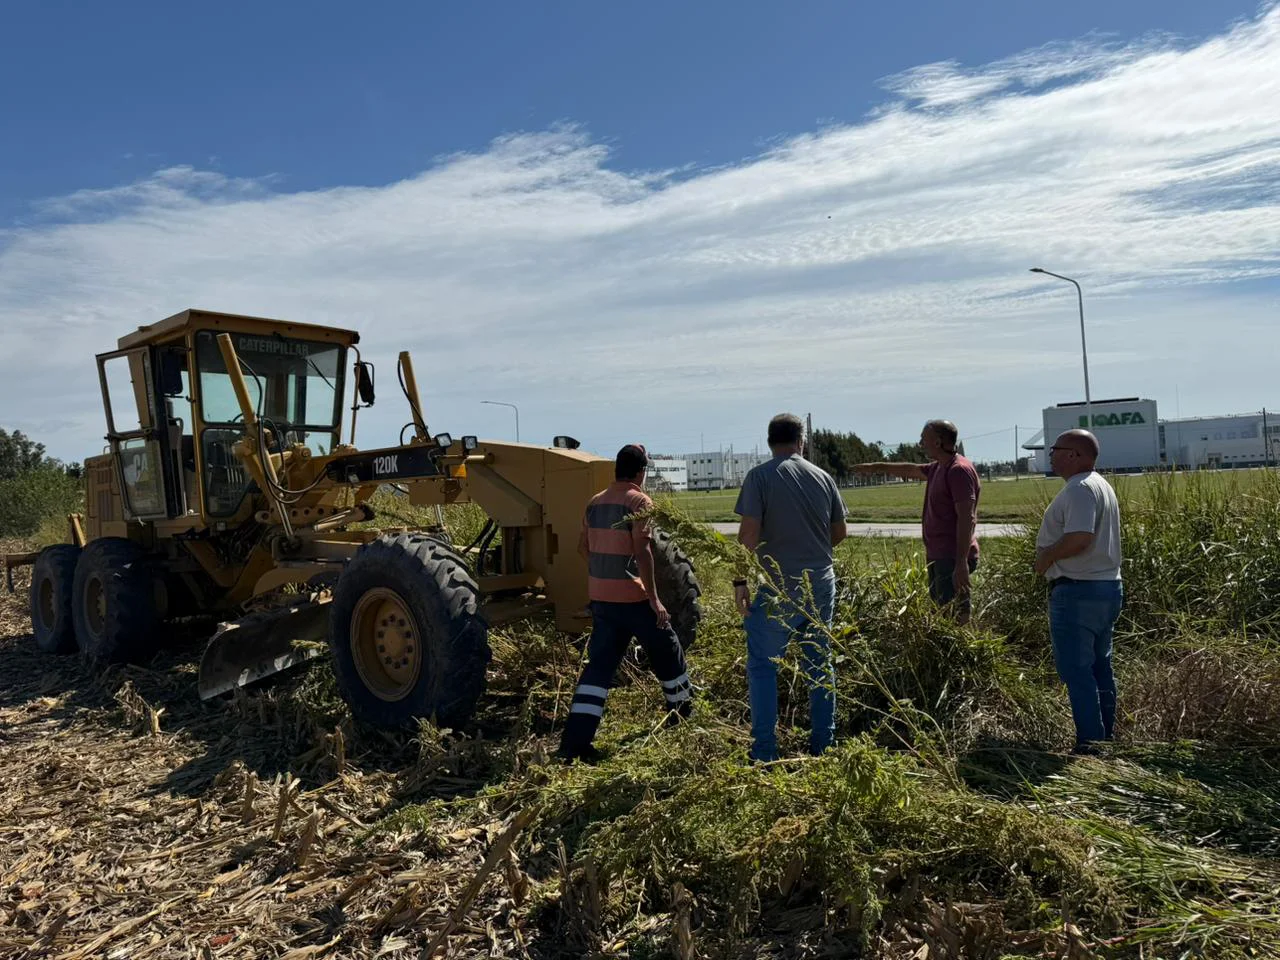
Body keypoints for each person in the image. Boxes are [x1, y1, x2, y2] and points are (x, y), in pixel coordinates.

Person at [559, 444, 693, 763]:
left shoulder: (595, 502)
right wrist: (654, 599)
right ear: (640, 472)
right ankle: (682, 715)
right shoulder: (639, 502)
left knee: (599, 669)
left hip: (602, 600)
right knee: (668, 649)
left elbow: (582, 548)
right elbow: (643, 552)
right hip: (634, 600)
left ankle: (574, 744)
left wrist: (604, 574)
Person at [734, 413, 848, 762]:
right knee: (819, 664)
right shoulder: (823, 477)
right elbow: (839, 532)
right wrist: (811, 551)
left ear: (770, 441)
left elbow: (747, 535)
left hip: (779, 586)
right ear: (801, 441)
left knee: (763, 665)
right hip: (821, 583)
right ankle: (823, 744)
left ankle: (765, 751)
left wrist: (740, 581)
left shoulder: (760, 477)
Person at [1034, 429, 1124, 755]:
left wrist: (1046, 557)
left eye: (1055, 450)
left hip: (1078, 590)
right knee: (1100, 668)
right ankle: (1104, 738)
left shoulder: (1080, 489)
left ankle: (1090, 746)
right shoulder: (1099, 485)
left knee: (1077, 672)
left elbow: (1079, 537)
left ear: (1073, 455)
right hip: (1104, 587)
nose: (1051, 456)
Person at [852, 420, 981, 623]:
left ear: (937, 442)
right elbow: (910, 470)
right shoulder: (938, 467)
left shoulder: (958, 470)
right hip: (940, 555)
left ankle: (960, 641)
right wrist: (876, 467)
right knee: (942, 610)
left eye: (923, 439)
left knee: (952, 615)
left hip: (952, 556)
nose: (920, 444)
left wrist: (961, 562)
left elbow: (967, 518)